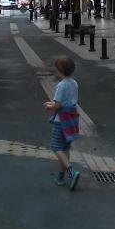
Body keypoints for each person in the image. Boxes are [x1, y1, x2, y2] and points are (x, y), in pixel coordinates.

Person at [44, 56, 80, 190]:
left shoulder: (61, 85)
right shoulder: (74, 83)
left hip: (61, 120)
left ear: (61, 70)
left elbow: (57, 105)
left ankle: (71, 171)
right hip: (72, 118)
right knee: (65, 148)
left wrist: (49, 106)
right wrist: (52, 104)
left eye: (56, 69)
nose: (55, 71)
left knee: (56, 147)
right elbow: (68, 101)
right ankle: (61, 176)